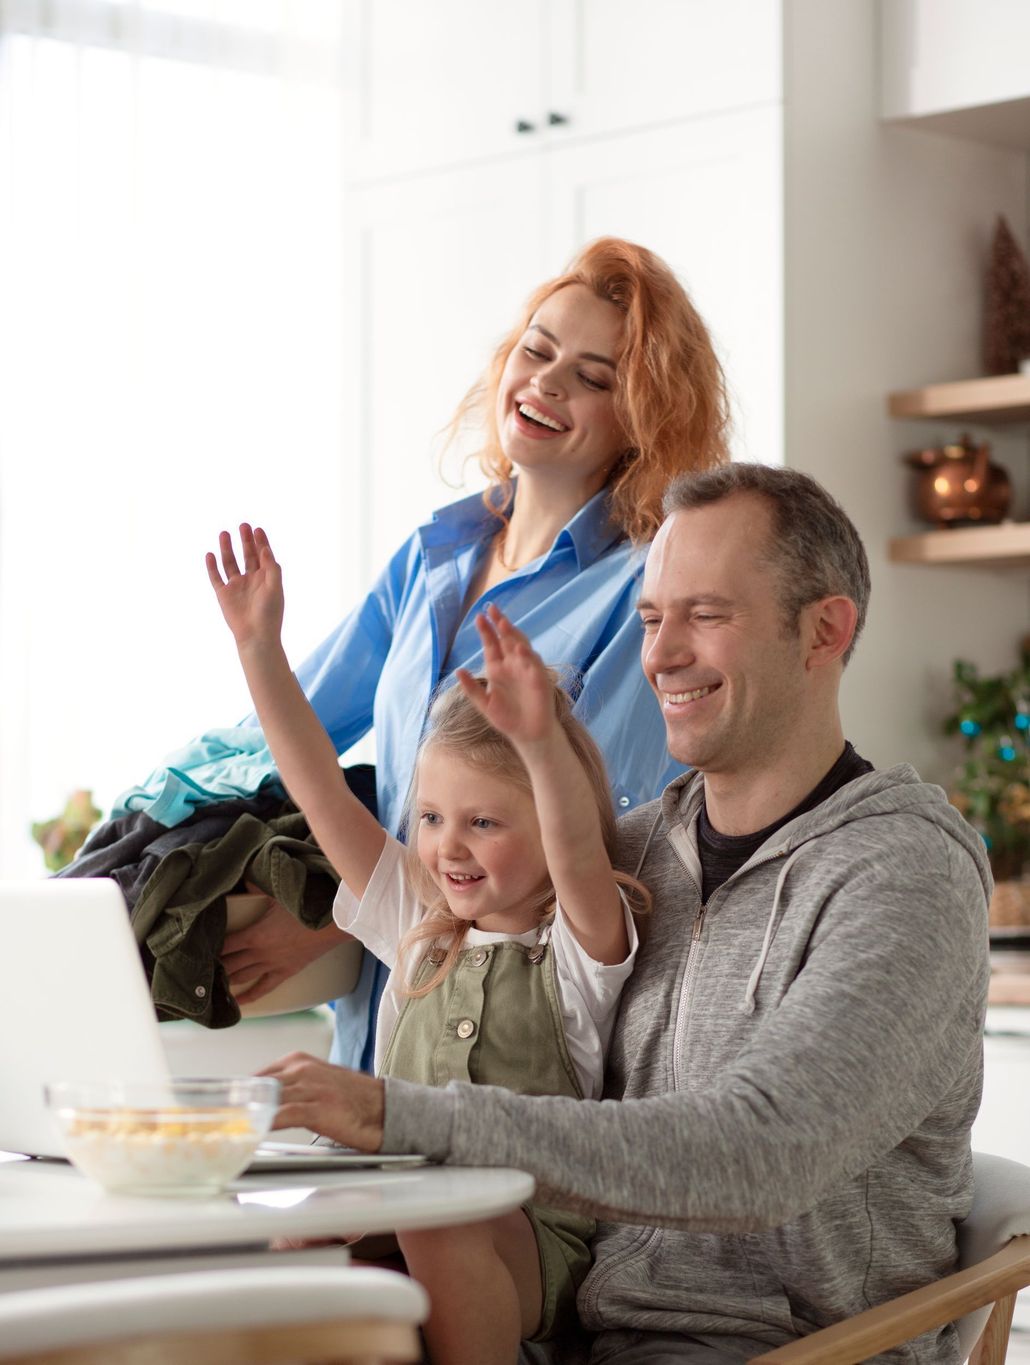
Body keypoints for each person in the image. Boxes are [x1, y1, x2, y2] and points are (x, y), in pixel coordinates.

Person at [261, 463, 992, 1364]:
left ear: (824, 630)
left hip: (781, 1348)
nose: (661, 653)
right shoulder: (637, 854)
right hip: (582, 1334)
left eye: (706, 615)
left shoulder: (904, 874)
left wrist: (401, 1115)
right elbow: (459, 900)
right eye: (652, 618)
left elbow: (761, 1152)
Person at [111, 236, 729, 1071]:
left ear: (642, 418)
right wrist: (141, 815)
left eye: (593, 376)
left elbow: (601, 830)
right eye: (537, 351)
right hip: (386, 1003)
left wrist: (343, 915)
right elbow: (294, 743)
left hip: (529, 1016)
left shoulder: (638, 589)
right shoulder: (433, 556)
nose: (547, 381)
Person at [207, 523, 650, 1364]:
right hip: (390, 1196)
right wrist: (259, 649)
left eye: (484, 822)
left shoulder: (580, 945)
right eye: (435, 818)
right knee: (291, 1236)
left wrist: (541, 747)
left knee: (434, 1214)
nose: (449, 845)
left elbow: (578, 847)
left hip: (527, 1230)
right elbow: (321, 791)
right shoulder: (418, 922)